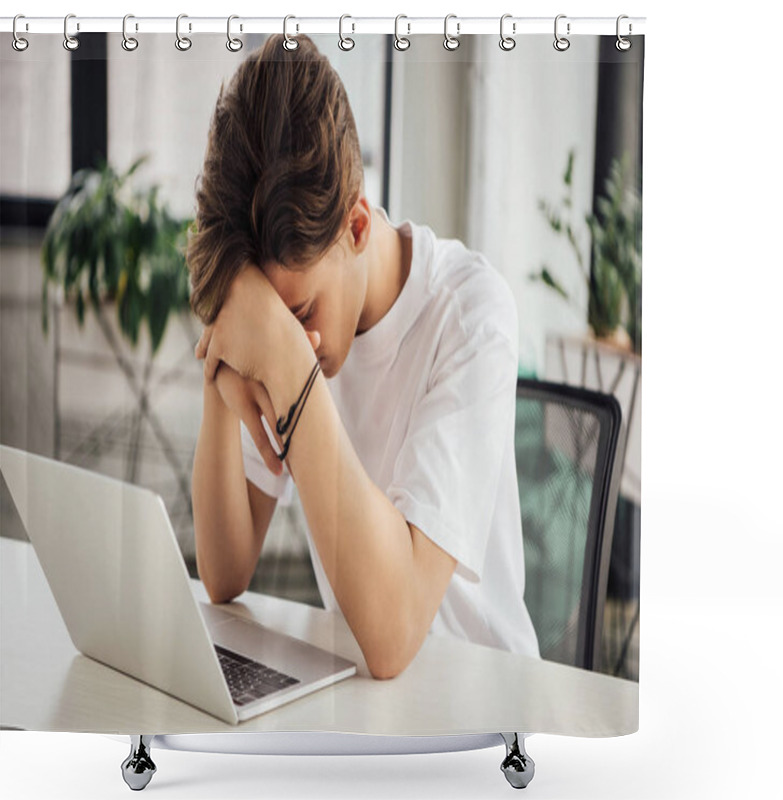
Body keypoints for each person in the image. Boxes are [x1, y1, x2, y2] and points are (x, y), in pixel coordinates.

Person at [189, 34, 539, 680]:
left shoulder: (471, 313)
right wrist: (224, 350)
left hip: (486, 705)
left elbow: (393, 633)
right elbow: (224, 571)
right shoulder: (285, 306)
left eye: (299, 316)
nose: (302, 340)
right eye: (273, 319)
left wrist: (286, 357)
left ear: (355, 226)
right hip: (366, 709)